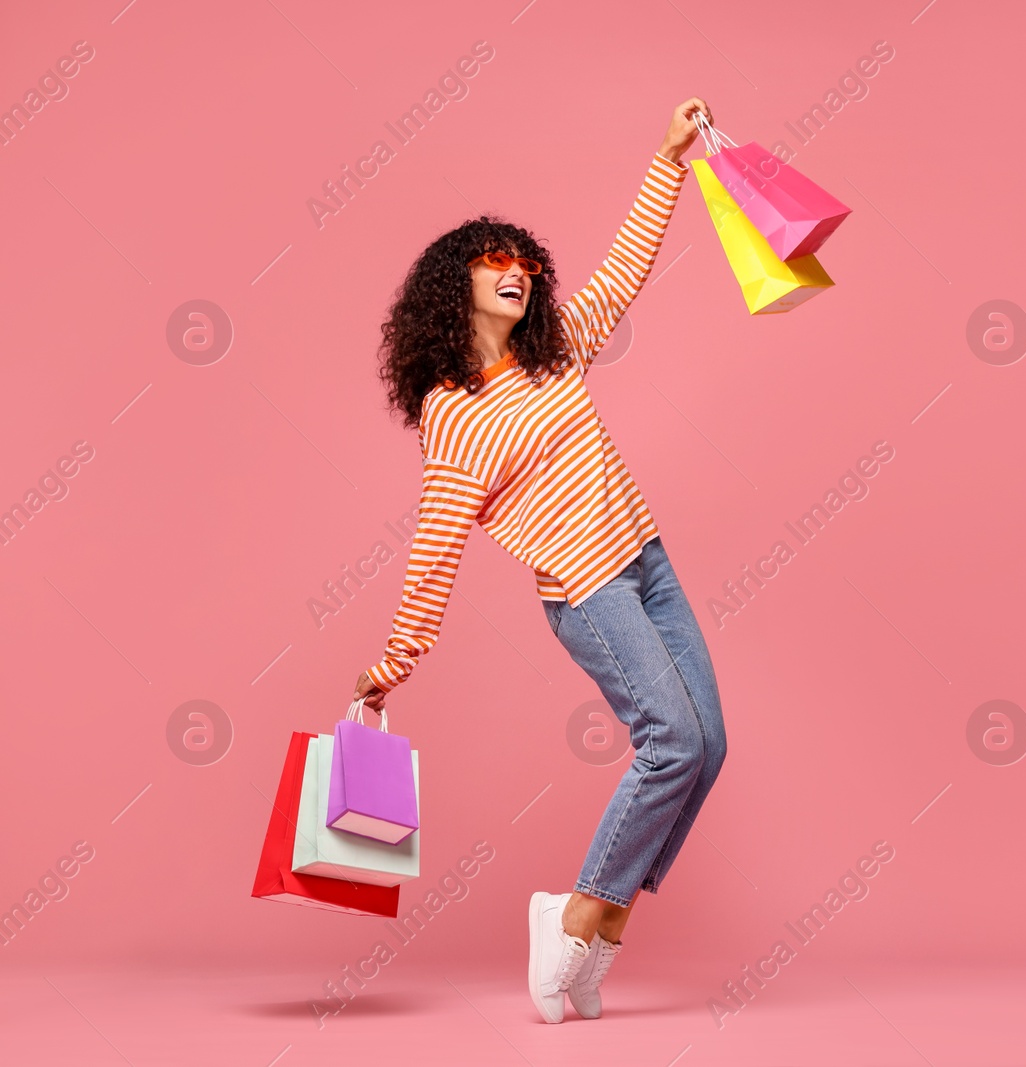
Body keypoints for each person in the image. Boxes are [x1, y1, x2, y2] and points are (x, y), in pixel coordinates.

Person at [352, 98, 728, 1024]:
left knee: (709, 746)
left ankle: (599, 933)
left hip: (646, 562)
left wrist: (669, 156)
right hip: (587, 589)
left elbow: (626, 266)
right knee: (669, 742)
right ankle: (567, 912)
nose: (516, 274)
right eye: (494, 263)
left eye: (524, 262)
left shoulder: (557, 352)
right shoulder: (455, 408)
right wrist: (393, 663)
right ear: (457, 285)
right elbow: (436, 545)